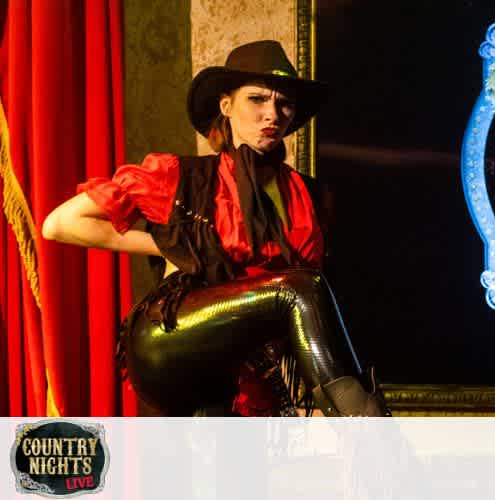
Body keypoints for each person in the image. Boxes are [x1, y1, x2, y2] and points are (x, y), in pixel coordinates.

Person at [42, 40, 387, 417]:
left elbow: (322, 306)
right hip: (172, 337)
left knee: (230, 458)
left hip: (247, 362)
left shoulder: (311, 196)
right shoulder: (182, 176)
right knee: (296, 288)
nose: (271, 114)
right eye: (257, 99)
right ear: (226, 106)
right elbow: (59, 224)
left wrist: (316, 396)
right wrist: (167, 247)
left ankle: (355, 424)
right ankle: (366, 428)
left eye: (283, 103)